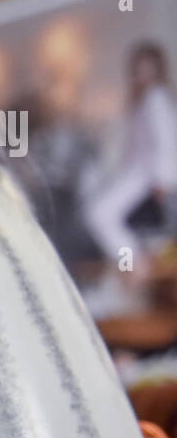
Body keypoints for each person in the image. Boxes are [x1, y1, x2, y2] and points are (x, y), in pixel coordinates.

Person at [84, 41, 177, 268]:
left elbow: (165, 141)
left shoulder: (155, 97)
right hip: (139, 172)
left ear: (157, 69)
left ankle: (134, 262)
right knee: (102, 213)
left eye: (147, 69)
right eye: (138, 70)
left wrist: (162, 183)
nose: (141, 75)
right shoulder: (142, 101)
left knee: (99, 213)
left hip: (147, 175)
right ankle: (133, 260)